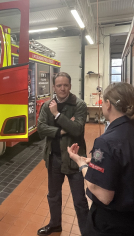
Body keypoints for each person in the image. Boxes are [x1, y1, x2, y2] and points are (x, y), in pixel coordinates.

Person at [67, 82, 134, 236]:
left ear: (108, 104)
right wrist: (96, 162)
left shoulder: (105, 142)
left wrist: (82, 164)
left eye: (103, 101)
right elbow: (127, 164)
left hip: (111, 224)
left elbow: (103, 195)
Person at [37, 72, 89, 236]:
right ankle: (55, 225)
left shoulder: (79, 105)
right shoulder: (47, 105)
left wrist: (57, 115)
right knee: (53, 195)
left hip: (74, 159)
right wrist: (62, 130)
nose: (62, 88)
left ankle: (87, 231)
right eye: (59, 85)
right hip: (54, 158)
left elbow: (77, 129)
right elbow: (41, 129)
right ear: (54, 87)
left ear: (70, 86)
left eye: (65, 85)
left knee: (80, 200)